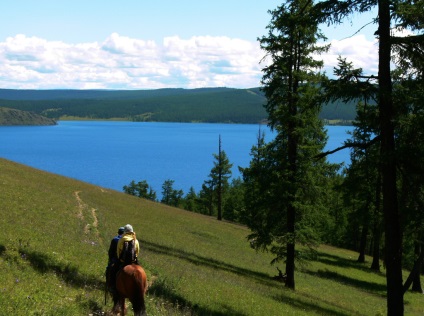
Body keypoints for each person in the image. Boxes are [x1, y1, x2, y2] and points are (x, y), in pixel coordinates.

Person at [106, 226, 125, 295]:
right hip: (125, 260)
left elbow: (111, 251)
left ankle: (111, 285)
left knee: (109, 270)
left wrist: (110, 260)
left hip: (116, 259)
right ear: (124, 233)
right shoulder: (126, 240)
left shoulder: (115, 239)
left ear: (118, 232)